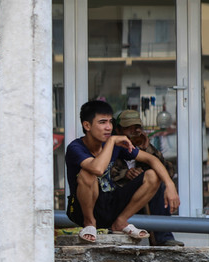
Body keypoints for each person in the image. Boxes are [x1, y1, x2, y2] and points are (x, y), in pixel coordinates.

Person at [65, 100, 180, 243]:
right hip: (81, 210)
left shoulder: (115, 144)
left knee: (153, 175)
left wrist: (170, 185)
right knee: (87, 173)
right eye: (102, 122)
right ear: (87, 125)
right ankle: (90, 224)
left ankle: (120, 222)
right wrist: (112, 141)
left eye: (109, 122)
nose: (108, 127)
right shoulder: (75, 148)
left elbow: (152, 160)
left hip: (111, 204)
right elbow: (97, 169)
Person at [110, 109, 184, 246]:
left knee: (159, 183)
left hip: (142, 202)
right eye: (128, 128)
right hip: (117, 201)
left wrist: (147, 148)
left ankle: (164, 237)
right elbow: (105, 174)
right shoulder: (113, 146)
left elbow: (168, 170)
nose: (134, 132)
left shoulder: (144, 149)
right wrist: (125, 174)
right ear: (119, 130)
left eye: (137, 128)